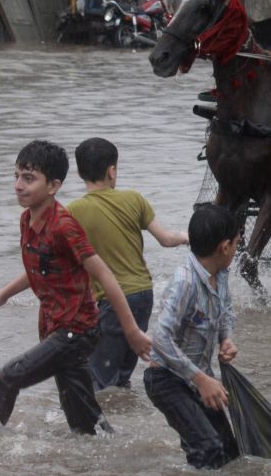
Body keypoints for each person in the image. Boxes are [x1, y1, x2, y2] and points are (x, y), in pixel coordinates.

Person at [0, 140, 152, 434]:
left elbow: (106, 276)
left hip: (75, 331)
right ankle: (120, 455)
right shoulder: (28, 219)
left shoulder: (63, 226)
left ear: (54, 186)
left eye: (29, 178)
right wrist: (0, 296)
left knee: (3, 380)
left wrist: (132, 332)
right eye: (17, 176)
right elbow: (38, 268)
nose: (19, 185)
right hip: (57, 327)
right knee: (83, 420)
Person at [67, 137, 189, 391]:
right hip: (144, 296)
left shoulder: (73, 211)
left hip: (114, 301)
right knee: (121, 375)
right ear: (112, 170)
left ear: (79, 173)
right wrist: (190, 237)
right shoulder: (134, 198)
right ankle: (122, 420)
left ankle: (99, 427)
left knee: (98, 381)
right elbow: (166, 239)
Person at [144, 204, 240, 470]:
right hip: (166, 381)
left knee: (230, 451)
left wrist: (226, 339)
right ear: (224, 246)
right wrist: (201, 380)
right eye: (236, 243)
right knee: (207, 447)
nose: (236, 249)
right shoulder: (184, 281)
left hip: (197, 378)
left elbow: (226, 310)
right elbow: (161, 339)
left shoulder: (219, 275)